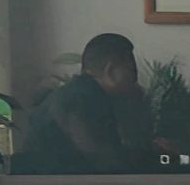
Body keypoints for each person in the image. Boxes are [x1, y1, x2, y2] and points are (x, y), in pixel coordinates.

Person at [13, 33, 154, 173]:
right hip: (47, 184)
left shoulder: (89, 94)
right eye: (132, 72)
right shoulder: (79, 98)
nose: (135, 80)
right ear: (110, 71)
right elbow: (105, 160)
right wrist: (154, 157)